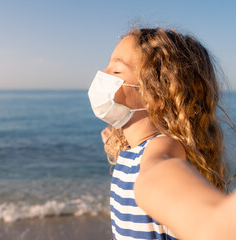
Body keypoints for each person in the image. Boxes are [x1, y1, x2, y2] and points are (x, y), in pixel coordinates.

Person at [87, 27, 236, 240]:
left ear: (156, 94)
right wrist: (114, 145)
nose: (103, 75)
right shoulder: (130, 148)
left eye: (117, 71)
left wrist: (214, 221)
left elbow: (157, 171)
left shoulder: (162, 148)